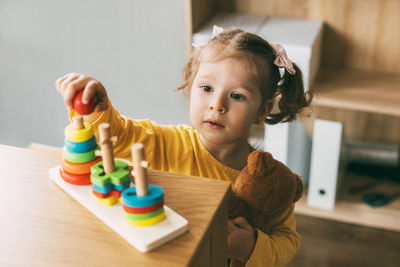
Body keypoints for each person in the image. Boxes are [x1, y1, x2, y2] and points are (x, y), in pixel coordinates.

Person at [56, 26, 312, 266]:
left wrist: (252, 247)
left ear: (261, 111)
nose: (217, 104)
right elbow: (119, 136)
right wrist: (98, 109)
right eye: (207, 88)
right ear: (192, 89)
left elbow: (287, 240)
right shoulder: (167, 143)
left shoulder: (270, 180)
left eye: (237, 96)